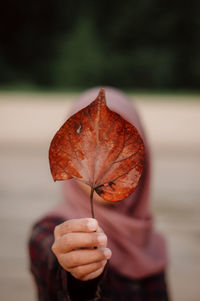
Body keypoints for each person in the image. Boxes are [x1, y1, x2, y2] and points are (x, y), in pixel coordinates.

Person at [28, 87, 170, 301]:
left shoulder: (149, 239)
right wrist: (78, 276)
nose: (102, 158)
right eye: (86, 145)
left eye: (117, 145)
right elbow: (56, 271)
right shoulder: (48, 231)